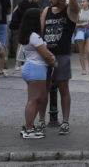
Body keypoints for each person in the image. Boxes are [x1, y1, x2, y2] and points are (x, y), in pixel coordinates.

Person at [40, 0, 80, 135]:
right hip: (46, 55)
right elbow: (41, 31)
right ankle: (41, 120)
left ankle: (65, 122)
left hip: (62, 55)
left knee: (63, 88)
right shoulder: (46, 11)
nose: (50, 1)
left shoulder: (70, 11)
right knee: (44, 89)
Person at [17, 7, 56, 138]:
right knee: (33, 100)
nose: (42, 20)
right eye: (40, 17)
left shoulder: (28, 35)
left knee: (37, 99)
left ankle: (29, 125)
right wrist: (53, 61)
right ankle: (29, 129)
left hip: (31, 67)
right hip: (36, 68)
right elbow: (45, 54)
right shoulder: (34, 36)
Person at [10, 0, 42, 74]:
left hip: (21, 26)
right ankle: (27, 62)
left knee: (20, 45)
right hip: (31, 27)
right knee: (30, 44)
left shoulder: (23, 2)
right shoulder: (35, 5)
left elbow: (14, 11)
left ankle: (17, 64)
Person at [74, 0, 89, 77]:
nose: (82, 3)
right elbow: (74, 24)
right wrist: (81, 24)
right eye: (81, 1)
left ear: (88, 3)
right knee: (81, 51)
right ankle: (83, 69)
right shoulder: (79, 12)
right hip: (81, 31)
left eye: (84, 1)